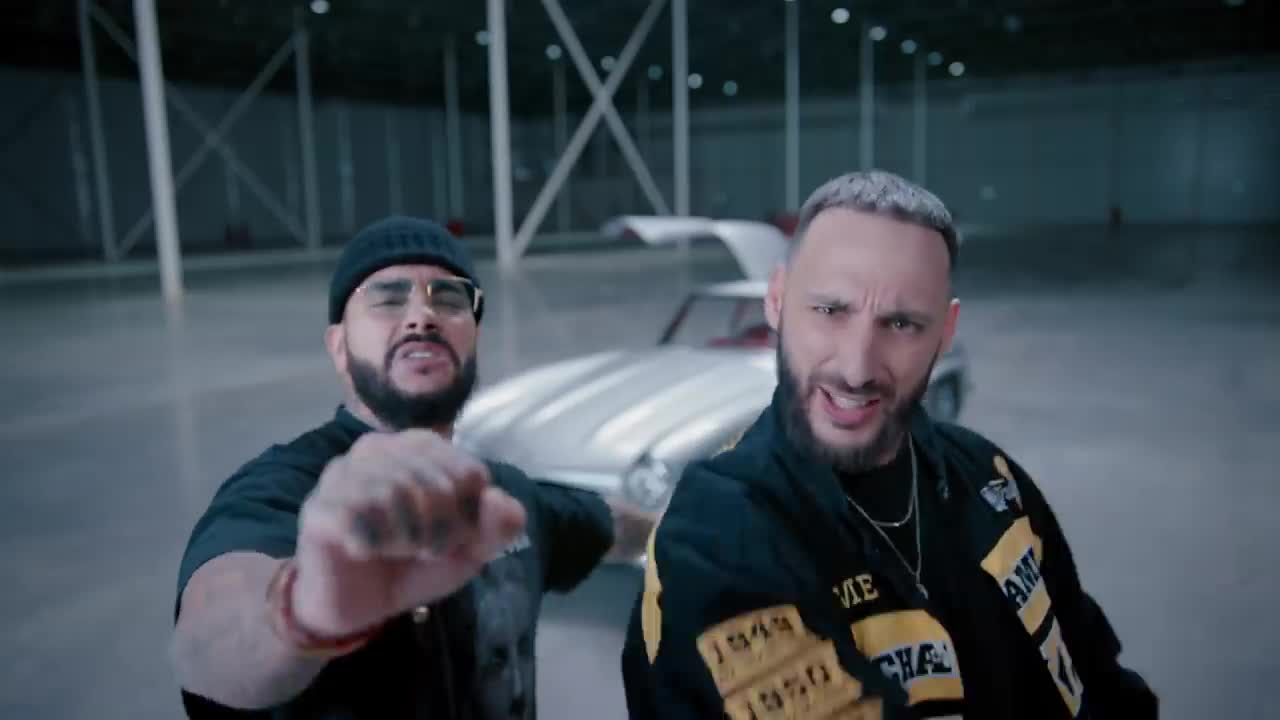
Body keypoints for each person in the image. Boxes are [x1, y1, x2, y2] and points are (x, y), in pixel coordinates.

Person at [620, 171, 1158, 719]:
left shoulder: (989, 477)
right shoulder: (715, 534)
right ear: (777, 300)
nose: (856, 369)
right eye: (830, 310)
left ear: (945, 333)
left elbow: (1104, 681)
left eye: (901, 323)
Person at [171, 215, 619, 719]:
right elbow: (210, 639)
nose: (422, 317)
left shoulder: (503, 496)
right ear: (339, 347)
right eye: (387, 299)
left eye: (448, 299)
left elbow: (604, 524)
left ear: (474, 335)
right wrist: (301, 610)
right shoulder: (285, 489)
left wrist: (674, 521)